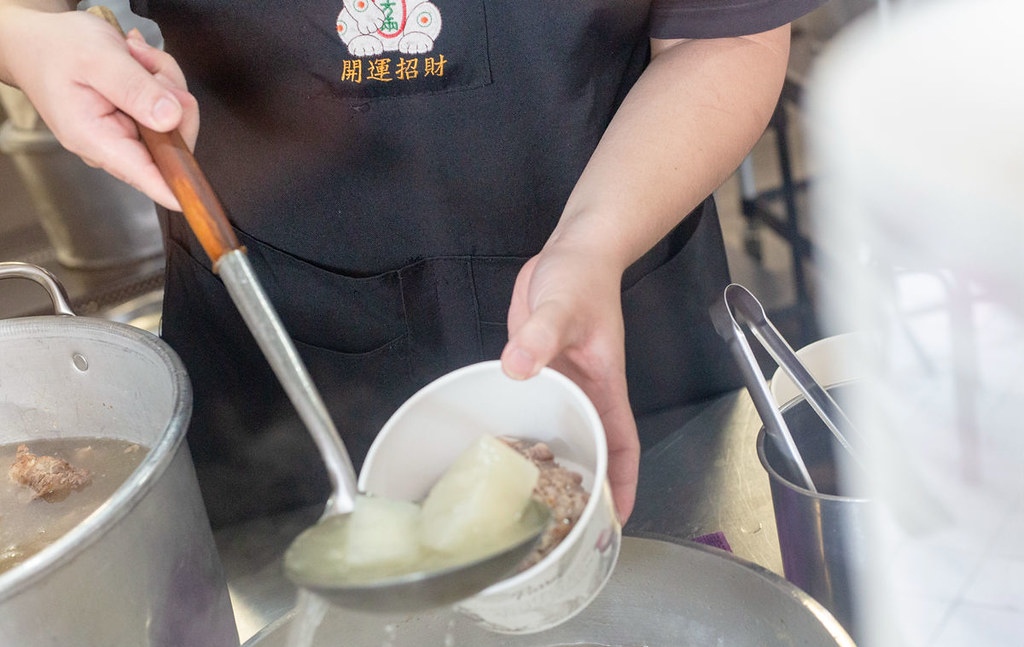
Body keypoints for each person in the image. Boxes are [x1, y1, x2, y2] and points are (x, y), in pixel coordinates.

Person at [0, 0, 824, 528]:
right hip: (274, 367)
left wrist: (592, 244)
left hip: (616, 331)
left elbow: (727, 36)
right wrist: (30, 39)